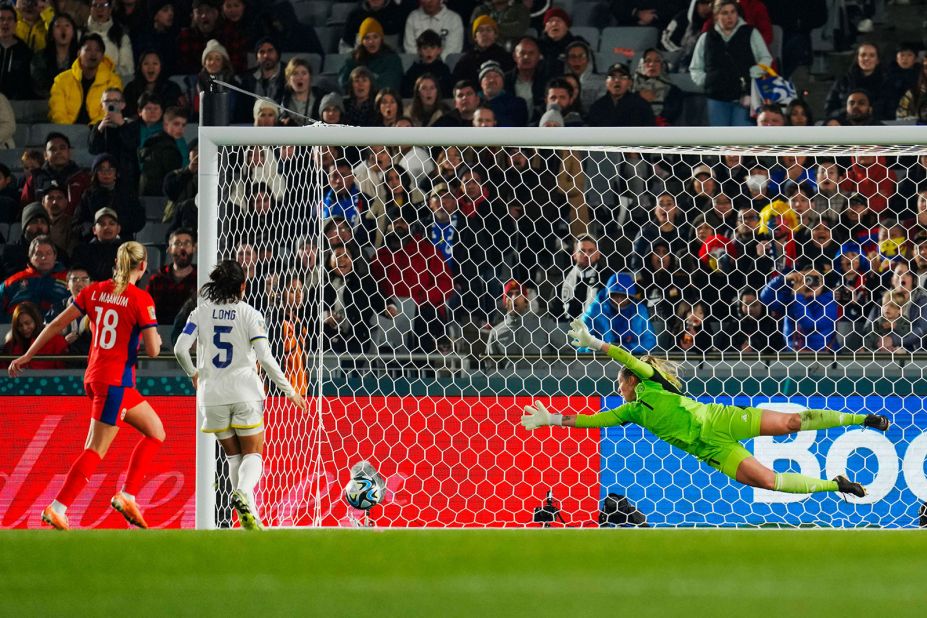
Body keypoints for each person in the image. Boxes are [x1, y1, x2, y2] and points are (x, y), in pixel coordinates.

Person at [520, 318, 891, 498]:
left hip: (719, 418)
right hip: (710, 449)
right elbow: (589, 420)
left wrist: (596, 343)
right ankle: (835, 485)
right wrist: (550, 418)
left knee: (791, 422)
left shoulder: (653, 381)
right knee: (766, 481)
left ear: (631, 381)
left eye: (619, 382)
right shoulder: (631, 412)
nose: (617, 389)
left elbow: (630, 359)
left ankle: (864, 418)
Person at [8, 242, 165, 530]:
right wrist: (149, 337)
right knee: (95, 449)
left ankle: (128, 495)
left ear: (117, 264)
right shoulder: (141, 299)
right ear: (142, 267)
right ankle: (58, 508)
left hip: (97, 377)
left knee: (156, 431)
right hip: (115, 381)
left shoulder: (93, 291)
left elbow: (55, 324)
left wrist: (29, 354)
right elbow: (154, 351)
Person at [173, 259, 308, 530]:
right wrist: (290, 391)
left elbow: (179, 348)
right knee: (254, 454)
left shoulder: (199, 313)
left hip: (211, 396)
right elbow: (266, 358)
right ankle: (244, 494)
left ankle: (249, 517)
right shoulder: (250, 314)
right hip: (244, 391)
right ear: (243, 286)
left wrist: (193, 374)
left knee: (234, 457)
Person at [689, 0, 772, 127]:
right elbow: (695, 67)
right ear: (717, 16)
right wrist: (706, 81)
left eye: (733, 12)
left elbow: (766, 58)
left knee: (741, 142)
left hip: (744, 97)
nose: (730, 16)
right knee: (720, 141)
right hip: (716, 97)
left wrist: (753, 72)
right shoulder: (706, 38)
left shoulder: (751, 33)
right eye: (725, 13)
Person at [48, 32, 124, 125]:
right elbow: (57, 112)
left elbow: (109, 112)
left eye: (98, 50)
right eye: (88, 50)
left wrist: (93, 130)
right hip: (66, 130)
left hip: (99, 131)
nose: (93, 54)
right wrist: (69, 130)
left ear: (102, 55)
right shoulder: (61, 80)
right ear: (79, 53)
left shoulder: (113, 81)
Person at [1, 301, 68, 370]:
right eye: (19, 325)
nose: (24, 328)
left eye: (28, 323)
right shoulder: (10, 346)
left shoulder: (56, 341)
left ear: (36, 321)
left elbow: (64, 371)